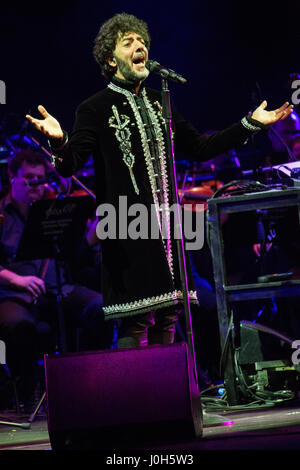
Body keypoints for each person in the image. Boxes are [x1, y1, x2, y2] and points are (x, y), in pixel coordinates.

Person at [26, 13, 294, 349]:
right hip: (126, 227)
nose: (140, 46)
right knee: (137, 320)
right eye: (129, 42)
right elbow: (70, 166)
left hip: (168, 229)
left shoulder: (160, 100)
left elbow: (200, 147)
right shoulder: (93, 108)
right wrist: (59, 140)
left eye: (142, 41)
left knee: (168, 316)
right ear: (111, 59)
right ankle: (136, 399)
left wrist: (250, 124)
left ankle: (168, 398)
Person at [0, 149, 113, 412]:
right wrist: (16, 279)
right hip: (13, 294)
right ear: (11, 176)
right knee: (19, 326)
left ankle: (91, 384)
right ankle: (26, 395)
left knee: (101, 308)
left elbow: (76, 254)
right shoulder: (1, 216)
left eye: (39, 178)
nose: (35, 185)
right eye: (28, 178)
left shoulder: (56, 208)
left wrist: (94, 233)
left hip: (57, 288)